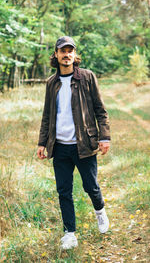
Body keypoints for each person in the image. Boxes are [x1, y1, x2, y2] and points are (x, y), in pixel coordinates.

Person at [37, 36, 111, 250]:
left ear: (74, 55)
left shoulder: (87, 77)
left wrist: (104, 137)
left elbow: (100, 110)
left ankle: (100, 212)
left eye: (70, 50)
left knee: (91, 186)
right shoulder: (52, 83)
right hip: (59, 147)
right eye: (63, 51)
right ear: (56, 55)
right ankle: (70, 233)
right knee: (64, 191)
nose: (67, 54)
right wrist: (42, 143)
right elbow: (46, 116)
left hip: (84, 145)